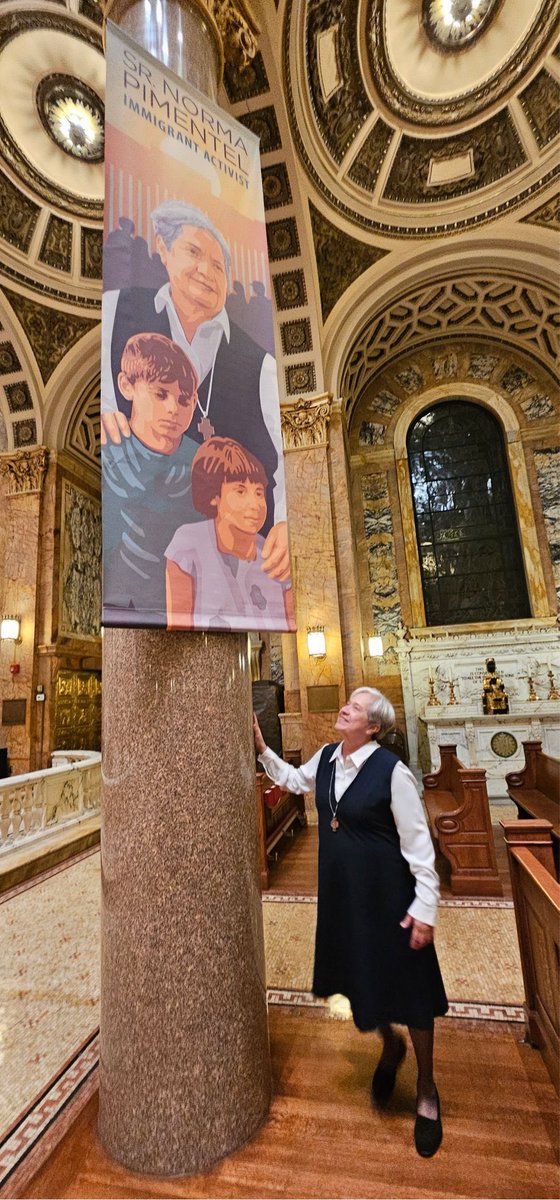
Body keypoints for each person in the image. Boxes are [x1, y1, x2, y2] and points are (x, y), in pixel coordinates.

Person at [253, 688, 448, 1157]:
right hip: (343, 897)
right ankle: (389, 1045)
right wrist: (262, 750)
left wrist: (425, 907)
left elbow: (419, 846)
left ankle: (426, 1089)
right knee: (358, 980)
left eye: (357, 707)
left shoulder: (393, 772)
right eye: (349, 703)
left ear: (374, 726)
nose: (346, 708)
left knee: (412, 990)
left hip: (389, 895)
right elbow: (295, 781)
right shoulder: (325, 758)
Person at [101, 199, 288, 583]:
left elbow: (286, 454)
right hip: (135, 551)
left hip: (229, 560)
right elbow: (106, 392)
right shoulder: (118, 309)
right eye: (193, 252)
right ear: (164, 251)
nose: (206, 271)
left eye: (219, 266)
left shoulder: (261, 363)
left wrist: (285, 520)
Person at [102, 332, 201, 626]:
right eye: (161, 394)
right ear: (126, 386)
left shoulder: (203, 463)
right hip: (125, 611)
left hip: (192, 612)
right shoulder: (109, 453)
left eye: (184, 399)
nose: (174, 408)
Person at [165, 437, 295, 632]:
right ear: (214, 496)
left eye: (259, 493)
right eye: (241, 491)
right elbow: (177, 627)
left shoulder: (275, 556)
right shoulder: (187, 544)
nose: (255, 504)